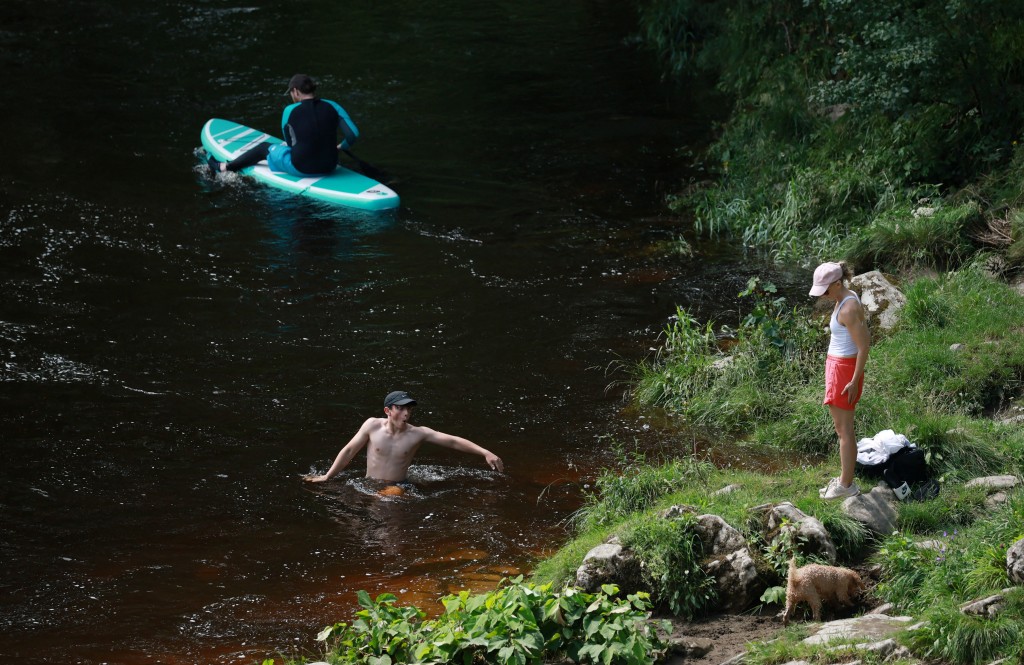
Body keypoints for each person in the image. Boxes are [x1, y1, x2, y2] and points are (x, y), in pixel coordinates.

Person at [303, 391, 504, 493]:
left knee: (392, 500)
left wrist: (485, 452)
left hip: (398, 486)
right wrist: (327, 477)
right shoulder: (372, 426)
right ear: (387, 411)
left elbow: (452, 441)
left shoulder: (418, 434)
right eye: (400, 408)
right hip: (368, 484)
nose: (406, 412)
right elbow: (349, 451)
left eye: (409, 408)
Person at [208, 74, 358, 177]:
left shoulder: (289, 110)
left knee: (264, 148)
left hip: (301, 168)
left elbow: (291, 144)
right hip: (330, 166)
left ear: (295, 92)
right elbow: (353, 134)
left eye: (291, 93)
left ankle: (224, 167)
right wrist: (340, 147)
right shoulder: (334, 106)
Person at [809, 261, 870, 500]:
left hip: (845, 371)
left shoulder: (848, 308)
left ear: (837, 283)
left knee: (844, 430)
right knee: (841, 428)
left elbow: (864, 345)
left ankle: (846, 485)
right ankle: (845, 479)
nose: (822, 295)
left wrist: (854, 381)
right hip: (838, 367)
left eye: (825, 290)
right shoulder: (843, 298)